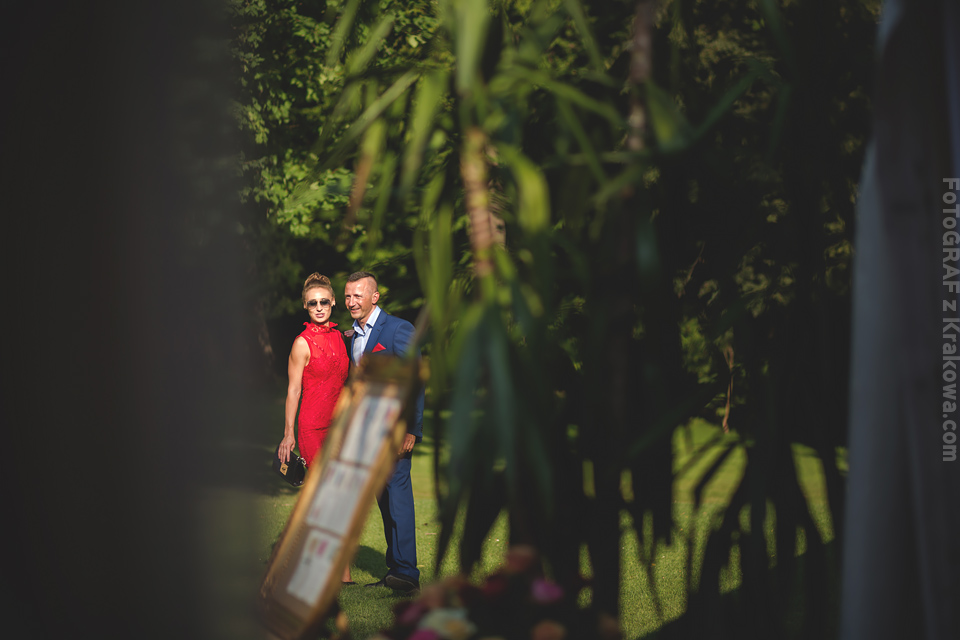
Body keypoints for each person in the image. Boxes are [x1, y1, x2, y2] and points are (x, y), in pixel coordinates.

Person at [344, 271, 424, 595]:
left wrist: (412, 429)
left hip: (395, 431)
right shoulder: (354, 335)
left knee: (398, 497)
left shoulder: (398, 329)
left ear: (374, 297)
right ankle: (396, 570)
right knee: (385, 500)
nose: (351, 301)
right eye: (348, 296)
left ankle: (407, 573)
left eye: (358, 295)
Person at [277, 272, 354, 584]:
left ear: (333, 301)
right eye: (313, 303)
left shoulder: (341, 337)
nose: (319, 307)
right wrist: (288, 434)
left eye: (324, 301)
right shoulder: (301, 343)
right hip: (312, 427)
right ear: (305, 307)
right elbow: (293, 390)